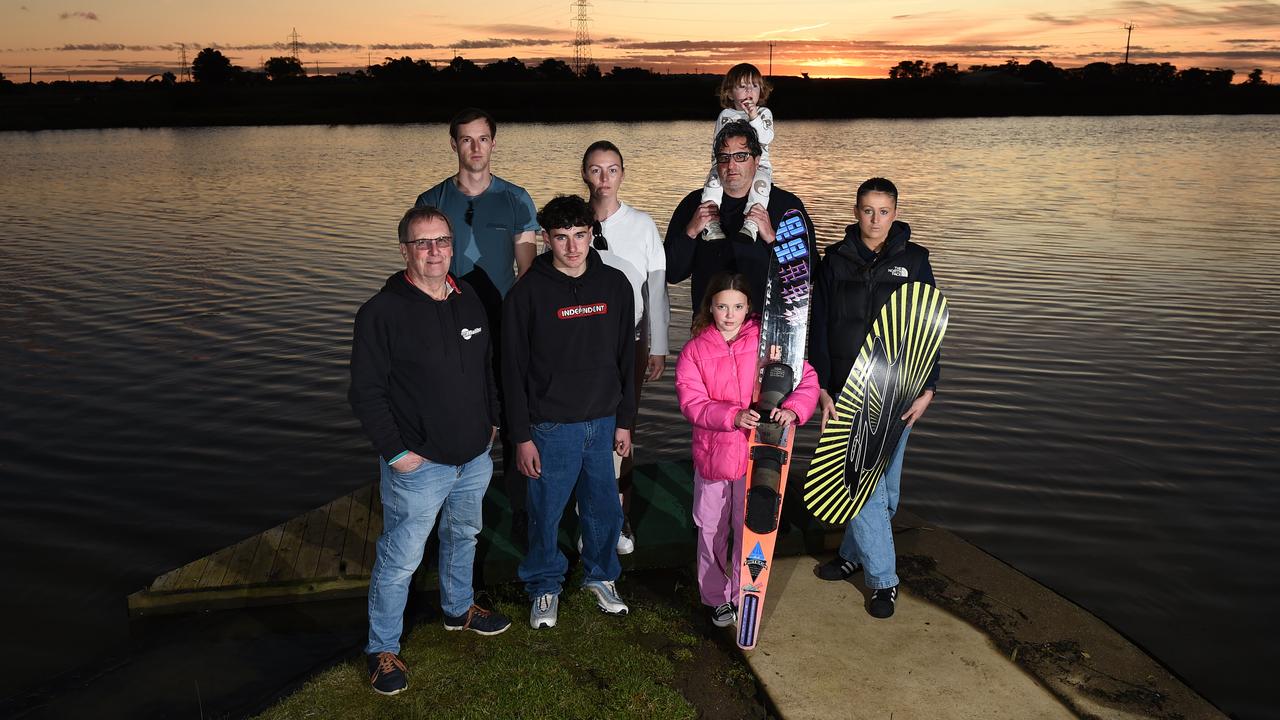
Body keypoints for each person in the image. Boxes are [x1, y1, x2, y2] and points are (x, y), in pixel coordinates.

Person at [348, 206, 512, 696]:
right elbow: (366, 392)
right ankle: (382, 648)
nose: (434, 251)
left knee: (464, 534)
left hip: (474, 457)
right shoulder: (383, 312)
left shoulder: (468, 300)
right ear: (404, 250)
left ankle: (458, 609)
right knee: (401, 558)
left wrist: (493, 421)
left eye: (441, 241)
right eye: (422, 243)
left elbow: (487, 368)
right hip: (419, 465)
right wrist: (396, 452)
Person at [502, 194, 637, 630]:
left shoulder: (615, 285)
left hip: (602, 422)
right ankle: (544, 584)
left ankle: (600, 575)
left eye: (580, 236)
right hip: (550, 425)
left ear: (592, 233)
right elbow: (512, 370)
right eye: (561, 238)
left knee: (604, 509)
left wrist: (626, 421)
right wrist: (520, 436)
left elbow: (626, 359)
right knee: (545, 511)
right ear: (546, 238)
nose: (573, 247)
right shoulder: (526, 294)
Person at [809, 177, 940, 620]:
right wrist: (822, 387)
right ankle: (884, 581)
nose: (875, 220)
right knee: (865, 488)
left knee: (886, 489)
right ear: (855, 211)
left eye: (884, 212)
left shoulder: (915, 260)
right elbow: (819, 327)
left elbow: (929, 325)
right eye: (867, 210)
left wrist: (929, 388)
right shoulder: (834, 260)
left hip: (898, 389)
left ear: (895, 213)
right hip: (848, 391)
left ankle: (854, 554)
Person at [415, 107, 540, 540]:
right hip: (448, 328)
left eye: (482, 139)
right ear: (454, 144)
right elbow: (420, 270)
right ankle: (446, 512)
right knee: (452, 413)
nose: (475, 148)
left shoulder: (516, 198)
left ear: (493, 142)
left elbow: (527, 274)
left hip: (502, 326)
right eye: (466, 139)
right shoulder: (432, 200)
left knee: (511, 415)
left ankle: (522, 509)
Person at [675, 272, 820, 626]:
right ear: (710, 306)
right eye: (722, 306)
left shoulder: (767, 343)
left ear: (749, 308)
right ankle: (714, 596)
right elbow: (692, 402)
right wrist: (733, 416)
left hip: (758, 457)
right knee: (710, 528)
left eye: (738, 307)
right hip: (713, 456)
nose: (729, 314)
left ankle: (743, 592)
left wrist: (794, 408)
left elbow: (807, 379)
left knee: (750, 528)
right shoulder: (695, 349)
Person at [581, 140, 671, 555]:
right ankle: (589, 517)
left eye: (612, 170)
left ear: (622, 173)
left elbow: (655, 290)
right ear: (585, 174)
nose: (604, 179)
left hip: (630, 343)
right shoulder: (573, 224)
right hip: (582, 345)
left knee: (623, 431)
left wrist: (658, 346)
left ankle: (619, 517)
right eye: (596, 170)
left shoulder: (642, 224)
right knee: (584, 430)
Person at [665, 120, 816, 314]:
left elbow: (806, 276)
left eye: (741, 156)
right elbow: (672, 273)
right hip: (709, 331)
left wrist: (772, 238)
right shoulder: (694, 205)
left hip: (765, 330)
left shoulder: (786, 206)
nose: (731, 165)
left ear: (757, 160)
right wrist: (691, 232)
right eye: (724, 157)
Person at [699, 63, 775, 244]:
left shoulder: (763, 113)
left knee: (761, 187)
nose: (749, 90)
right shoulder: (725, 115)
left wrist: (753, 116)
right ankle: (711, 223)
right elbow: (717, 143)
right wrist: (717, 166)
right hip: (725, 164)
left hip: (760, 166)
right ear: (730, 92)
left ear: (761, 91)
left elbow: (766, 138)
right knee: (712, 184)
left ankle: (752, 223)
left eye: (754, 86)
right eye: (742, 86)